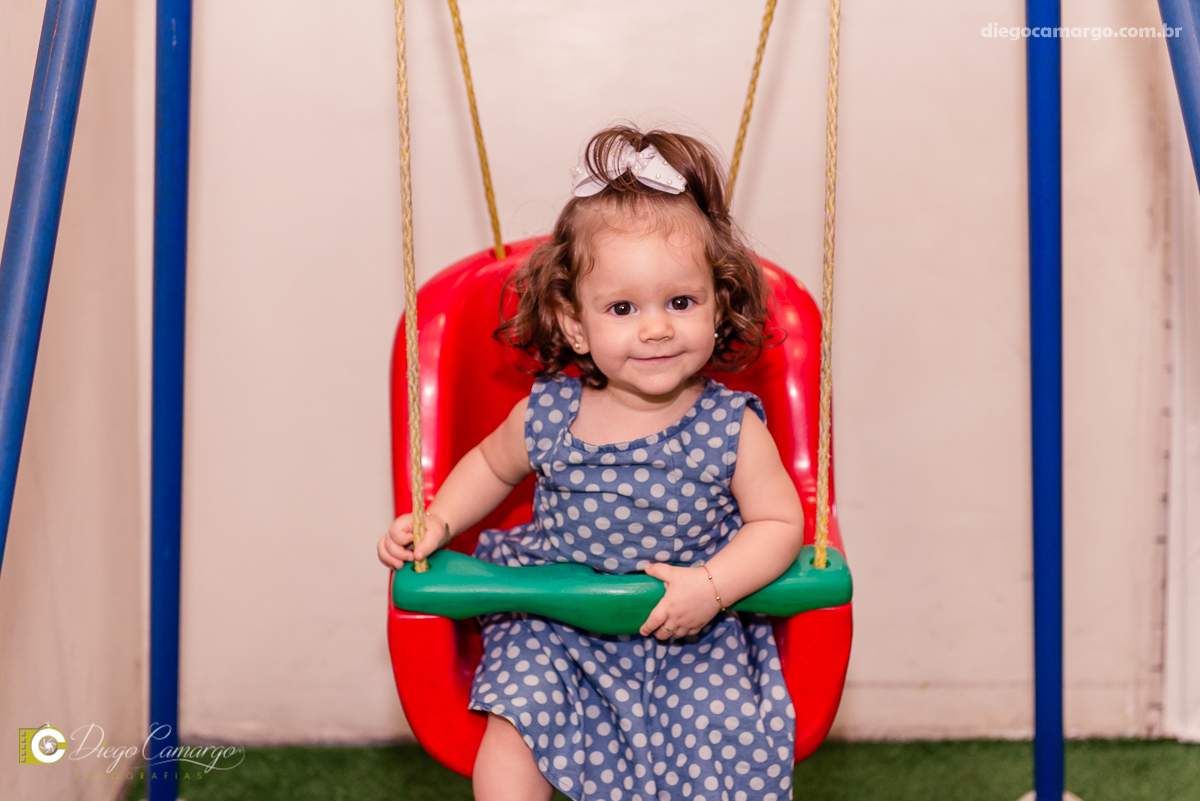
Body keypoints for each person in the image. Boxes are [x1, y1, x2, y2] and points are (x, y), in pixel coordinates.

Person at [378, 125, 804, 801]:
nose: (656, 327)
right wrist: (438, 520)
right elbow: (489, 466)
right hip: (552, 622)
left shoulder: (731, 427)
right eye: (623, 308)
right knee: (514, 721)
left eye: (681, 302)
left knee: (719, 732)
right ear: (575, 324)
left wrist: (713, 586)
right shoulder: (547, 413)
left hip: (687, 626)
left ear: (719, 307)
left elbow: (779, 523)